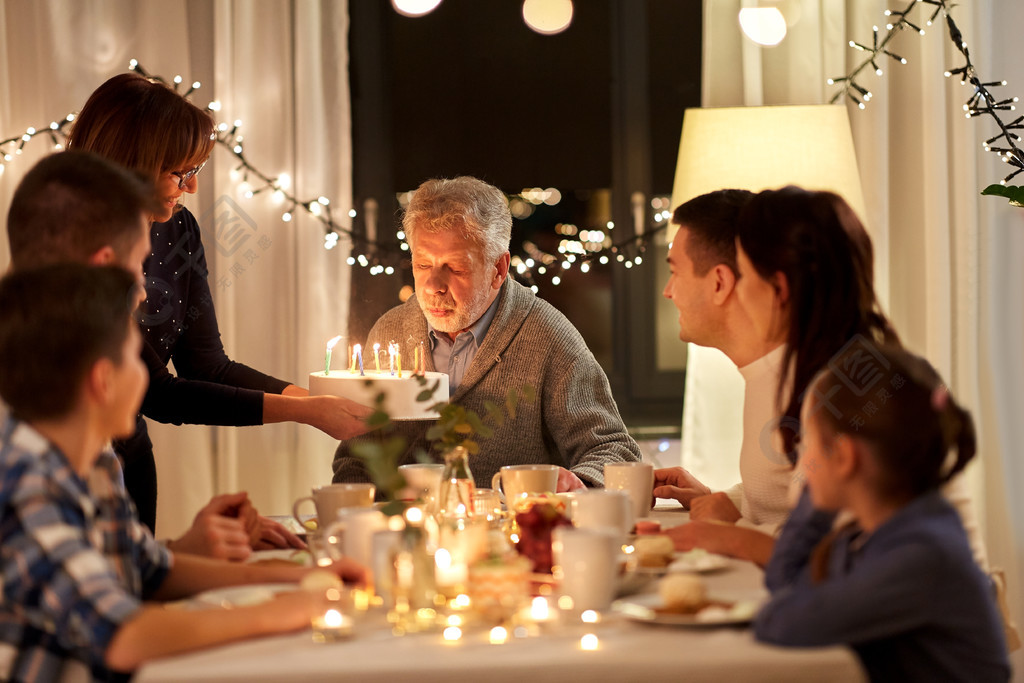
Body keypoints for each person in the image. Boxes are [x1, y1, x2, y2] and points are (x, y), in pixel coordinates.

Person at [0, 263, 366, 682]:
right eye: (136, 360)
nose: (149, 379)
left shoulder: (96, 465)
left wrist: (307, 576)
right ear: (103, 380)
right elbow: (122, 636)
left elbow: (152, 569)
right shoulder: (29, 480)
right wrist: (282, 611)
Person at [65, 72, 371, 531]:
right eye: (178, 172)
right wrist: (306, 411)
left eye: (194, 172)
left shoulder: (178, 229)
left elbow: (207, 365)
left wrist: (316, 401)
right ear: (130, 164)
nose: (190, 188)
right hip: (80, 459)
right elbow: (159, 394)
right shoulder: (78, 250)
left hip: (130, 459)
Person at [4, 150, 292, 559]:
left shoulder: (101, 462)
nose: (145, 289)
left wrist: (197, 548)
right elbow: (118, 618)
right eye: (140, 267)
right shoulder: (34, 472)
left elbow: (135, 571)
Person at [332, 176, 642, 491]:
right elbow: (357, 460)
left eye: (455, 269)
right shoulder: (391, 332)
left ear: (498, 269)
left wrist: (580, 481)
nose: (433, 287)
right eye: (423, 265)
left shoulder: (549, 337)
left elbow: (613, 451)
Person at [753, 345, 1010, 682]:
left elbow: (784, 621)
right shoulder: (872, 536)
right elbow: (784, 581)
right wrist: (817, 499)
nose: (802, 460)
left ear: (844, 457)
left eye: (807, 443)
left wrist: (814, 493)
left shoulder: (921, 554)